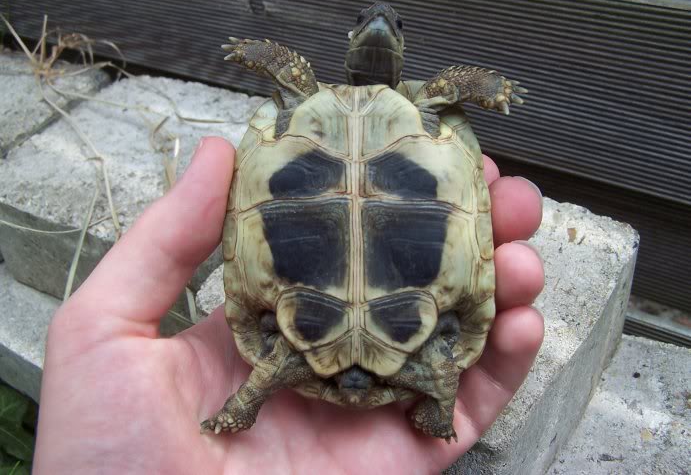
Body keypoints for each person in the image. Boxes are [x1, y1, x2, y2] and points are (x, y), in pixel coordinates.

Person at [32, 137, 545, 474]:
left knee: (295, 356)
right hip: (394, 337)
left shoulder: (296, 120)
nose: (351, 382)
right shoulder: (434, 126)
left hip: (312, 331)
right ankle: (426, 407)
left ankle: (241, 410)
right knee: (436, 359)